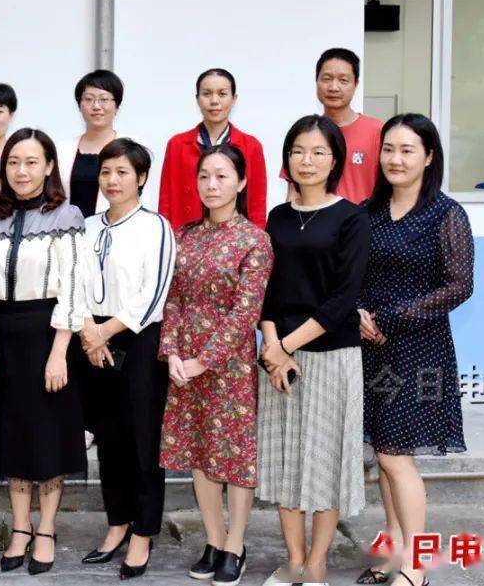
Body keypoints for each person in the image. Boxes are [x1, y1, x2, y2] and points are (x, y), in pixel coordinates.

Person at [355, 114, 474, 586]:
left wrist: (389, 319)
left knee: (395, 456)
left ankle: (416, 566)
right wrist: (360, 314)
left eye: (407, 150)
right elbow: (352, 275)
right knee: (383, 452)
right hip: (369, 346)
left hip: (418, 347)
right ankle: (393, 547)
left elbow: (459, 285)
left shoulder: (446, 215)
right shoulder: (369, 213)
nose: (395, 159)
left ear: (428, 157)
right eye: (388, 149)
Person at [257, 115, 370, 586]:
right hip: (278, 358)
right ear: (287, 159)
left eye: (319, 152)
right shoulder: (277, 218)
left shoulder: (351, 217)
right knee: (285, 461)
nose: (307, 160)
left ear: (335, 161)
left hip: (330, 356)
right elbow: (266, 290)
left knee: (324, 462)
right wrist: (271, 350)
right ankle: (295, 559)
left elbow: (343, 299)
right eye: (299, 150)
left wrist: (283, 346)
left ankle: (319, 561)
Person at [0, 129, 86, 575]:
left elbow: (74, 288)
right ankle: (20, 527)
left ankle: (47, 528)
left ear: (50, 166)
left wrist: (59, 352)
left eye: (32, 162)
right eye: (14, 162)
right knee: (11, 435)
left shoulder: (66, 214)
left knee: (48, 438)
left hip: (47, 335)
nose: (22, 171)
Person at [159, 144, 272, 586]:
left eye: (222, 176)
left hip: (228, 365)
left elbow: (246, 313)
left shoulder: (254, 240)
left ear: (241, 183)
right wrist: (171, 353)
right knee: (199, 453)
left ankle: (236, 544)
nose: (212, 185)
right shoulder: (184, 235)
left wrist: (203, 361)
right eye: (205, 176)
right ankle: (213, 537)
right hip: (183, 358)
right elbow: (171, 300)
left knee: (234, 456)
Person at [77, 138, 175, 580]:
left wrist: (104, 331)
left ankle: (143, 531)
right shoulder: (87, 226)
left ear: (141, 178)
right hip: (91, 339)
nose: (112, 180)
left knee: (141, 441)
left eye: (122, 172)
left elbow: (152, 296)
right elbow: (73, 281)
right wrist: (87, 331)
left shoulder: (155, 227)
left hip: (137, 341)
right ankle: (116, 522)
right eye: (106, 172)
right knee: (108, 437)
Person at [158, 68, 267, 229]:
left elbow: (257, 204)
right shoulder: (177, 144)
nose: (214, 101)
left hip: (236, 240)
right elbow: (166, 202)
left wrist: (256, 241)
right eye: (207, 94)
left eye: (222, 94)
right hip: (185, 238)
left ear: (234, 99)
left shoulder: (251, 146)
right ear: (197, 99)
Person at [282, 49, 383, 204]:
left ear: (356, 84)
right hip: (315, 224)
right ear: (316, 81)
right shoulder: (305, 132)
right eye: (327, 79)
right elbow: (294, 193)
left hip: (360, 223)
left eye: (343, 80)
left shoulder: (377, 131)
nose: (334, 87)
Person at [57, 70, 138, 217]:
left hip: (115, 231)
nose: (96, 106)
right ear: (80, 106)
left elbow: (143, 198)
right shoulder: (62, 149)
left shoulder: (132, 148)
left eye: (104, 99)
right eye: (88, 99)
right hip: (70, 234)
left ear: (117, 106)